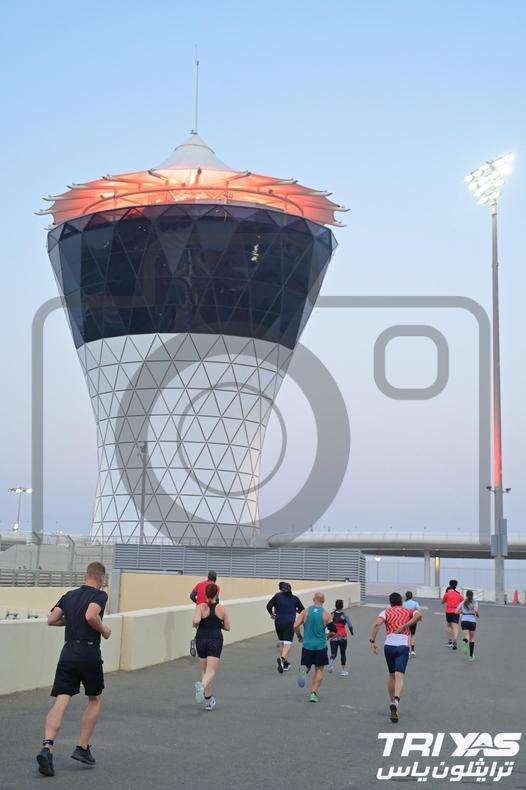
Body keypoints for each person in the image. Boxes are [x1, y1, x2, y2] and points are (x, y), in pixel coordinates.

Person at [36, 562, 111, 777]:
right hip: (89, 652)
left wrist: (70, 622)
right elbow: (91, 615)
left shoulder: (69, 595)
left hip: (68, 652)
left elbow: (52, 620)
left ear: (86, 575)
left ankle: (47, 747)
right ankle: (82, 748)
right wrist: (104, 630)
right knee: (94, 699)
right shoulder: (100, 595)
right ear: (101, 579)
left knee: (62, 699)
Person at [370, 592, 423, 723]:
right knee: (400, 675)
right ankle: (397, 701)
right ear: (401, 602)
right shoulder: (408, 611)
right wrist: (405, 626)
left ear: (390, 602)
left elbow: (377, 624)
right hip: (403, 645)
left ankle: (392, 702)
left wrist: (372, 641)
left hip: (389, 645)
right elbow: (419, 616)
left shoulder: (385, 612)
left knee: (391, 675)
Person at [192, 583, 230, 711]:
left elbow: (196, 621)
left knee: (204, 671)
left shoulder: (200, 607)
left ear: (205, 594)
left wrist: (198, 622)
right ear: (216, 594)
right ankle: (202, 687)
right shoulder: (221, 609)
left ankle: (208, 699)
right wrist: (217, 624)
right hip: (215, 639)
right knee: (211, 671)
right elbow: (227, 627)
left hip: (201, 639)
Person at [294, 592, 336, 702]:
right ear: (324, 601)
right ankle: (313, 693)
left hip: (307, 645)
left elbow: (295, 625)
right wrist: (328, 636)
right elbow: (333, 631)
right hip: (320, 646)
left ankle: (304, 671)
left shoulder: (305, 611)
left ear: (313, 599)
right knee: (319, 670)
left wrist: (299, 636)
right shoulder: (326, 614)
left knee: (306, 665)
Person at [266, 582, 305, 673]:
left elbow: (268, 606)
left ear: (281, 589)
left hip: (278, 622)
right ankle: (282, 658)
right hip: (289, 623)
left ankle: (285, 664)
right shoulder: (295, 599)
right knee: (287, 644)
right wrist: (295, 609)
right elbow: (302, 610)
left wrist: (271, 613)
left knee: (282, 642)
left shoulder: (277, 596)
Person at [189, 571, 220, 656]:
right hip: (209, 611)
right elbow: (216, 601)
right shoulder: (216, 587)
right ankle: (207, 649)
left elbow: (191, 596)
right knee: (209, 631)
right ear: (215, 579)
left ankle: (195, 642)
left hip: (199, 611)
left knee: (200, 629)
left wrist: (198, 603)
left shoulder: (199, 584)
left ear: (208, 577)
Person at [327, 599, 354, 676]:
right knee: (343, 653)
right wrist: (352, 632)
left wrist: (328, 635)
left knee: (333, 653)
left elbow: (327, 624)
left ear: (335, 605)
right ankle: (343, 670)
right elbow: (350, 625)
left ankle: (331, 663)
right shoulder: (344, 615)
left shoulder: (332, 614)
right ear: (342, 606)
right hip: (343, 636)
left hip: (334, 636)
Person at [456, 589, 479, 662]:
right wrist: (477, 614)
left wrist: (462, 612)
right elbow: (476, 611)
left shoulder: (462, 602)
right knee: (472, 638)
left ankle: (465, 641)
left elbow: (455, 611)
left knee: (466, 637)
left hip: (464, 621)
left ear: (466, 595)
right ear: (472, 595)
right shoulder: (475, 602)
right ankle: (471, 656)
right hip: (472, 621)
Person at [442, 580, 464, 650]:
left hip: (448, 611)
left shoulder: (447, 594)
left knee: (449, 626)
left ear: (449, 585)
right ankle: (455, 639)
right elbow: (463, 602)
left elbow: (442, 602)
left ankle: (450, 642)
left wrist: (447, 600)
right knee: (455, 627)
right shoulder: (458, 594)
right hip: (456, 611)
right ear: (456, 586)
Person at [403, 591, 420, 657]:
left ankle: (407, 651)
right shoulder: (415, 603)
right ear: (412, 596)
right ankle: (412, 650)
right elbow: (418, 610)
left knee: (406, 635)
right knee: (413, 635)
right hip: (413, 620)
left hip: (405, 620)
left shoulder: (403, 603)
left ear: (406, 596)